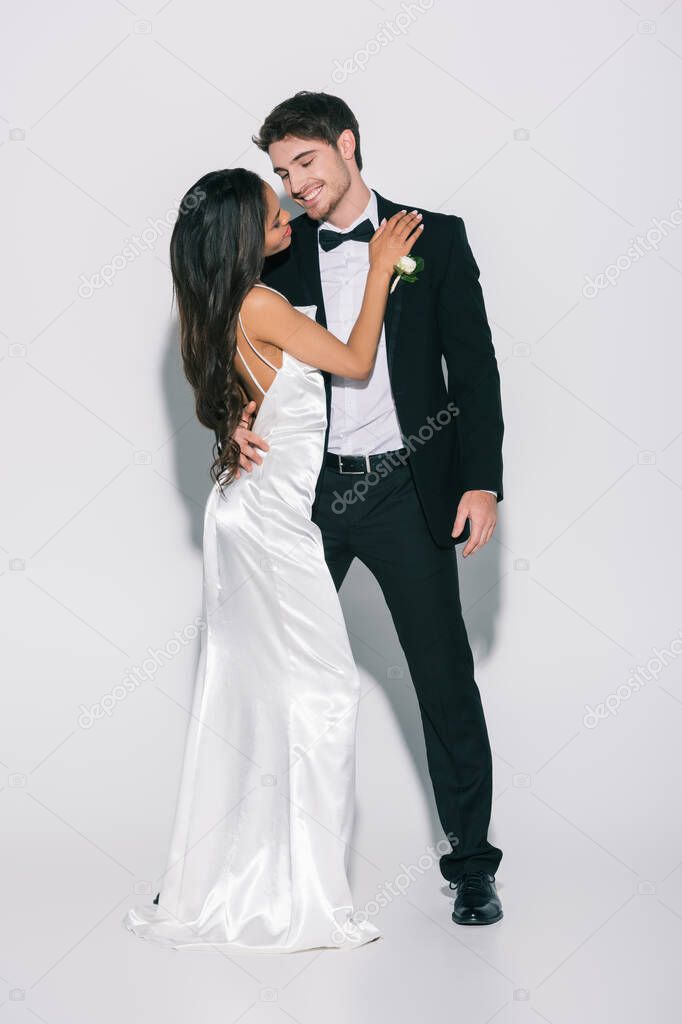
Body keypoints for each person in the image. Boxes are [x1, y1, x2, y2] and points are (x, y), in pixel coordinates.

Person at [122, 166, 424, 952]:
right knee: (322, 695)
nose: (286, 208)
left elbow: (240, 401)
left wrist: (232, 428)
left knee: (251, 698)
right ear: (238, 238)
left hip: (242, 515)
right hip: (268, 528)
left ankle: (244, 872)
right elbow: (354, 362)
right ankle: (303, 895)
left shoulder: (219, 306)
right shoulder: (260, 303)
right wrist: (382, 274)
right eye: (270, 211)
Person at [236, 91, 505, 927]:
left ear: (347, 145)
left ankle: (470, 866)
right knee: (264, 670)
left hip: (405, 487)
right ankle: (233, 867)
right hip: (307, 492)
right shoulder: (276, 250)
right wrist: (236, 422)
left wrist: (480, 480)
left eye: (306, 163)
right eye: (281, 173)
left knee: (441, 681)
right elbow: (247, 350)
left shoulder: (438, 235)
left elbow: (476, 369)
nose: (296, 186)